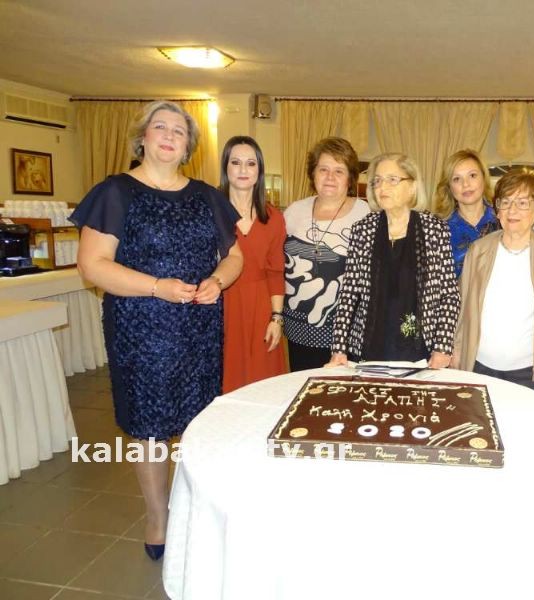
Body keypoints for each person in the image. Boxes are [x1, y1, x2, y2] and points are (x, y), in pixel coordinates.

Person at [70, 101, 243, 561]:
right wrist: (156, 287)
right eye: (159, 127)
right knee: (149, 427)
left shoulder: (206, 196)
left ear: (188, 146)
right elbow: (92, 265)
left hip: (198, 327)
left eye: (178, 131)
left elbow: (234, 256)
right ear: (142, 138)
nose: (169, 135)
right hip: (140, 328)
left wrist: (218, 280)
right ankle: (157, 517)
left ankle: (194, 506)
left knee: (197, 421)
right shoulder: (115, 191)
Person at [327, 152, 459, 367]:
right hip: (370, 344)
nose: (382, 187)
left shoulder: (435, 229)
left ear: (412, 186)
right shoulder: (362, 230)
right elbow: (349, 294)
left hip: (421, 347)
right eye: (377, 181)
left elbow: (449, 295)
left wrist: (443, 347)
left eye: (392, 180)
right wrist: (339, 348)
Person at [452, 168, 534, 392]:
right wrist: (457, 350)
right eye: (505, 202)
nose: (512, 210)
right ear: (497, 210)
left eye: (523, 203)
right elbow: (464, 305)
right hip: (478, 362)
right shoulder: (478, 251)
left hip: (527, 368)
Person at [283, 137, 370, 371]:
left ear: (350, 178)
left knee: (341, 391)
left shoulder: (366, 214)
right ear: (313, 174)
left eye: (339, 171)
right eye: (323, 169)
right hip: (297, 328)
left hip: (345, 333)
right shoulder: (294, 211)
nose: (330, 177)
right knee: (303, 387)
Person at [219, 136, 287, 393]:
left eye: (250, 163)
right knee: (225, 380)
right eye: (235, 162)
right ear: (226, 168)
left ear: (260, 171)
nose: (243, 169)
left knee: (263, 384)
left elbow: (276, 272)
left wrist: (276, 319)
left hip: (261, 307)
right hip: (221, 305)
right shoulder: (211, 212)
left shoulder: (273, 218)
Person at [433, 149, 499, 277]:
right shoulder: (438, 229)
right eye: (457, 179)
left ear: (484, 178)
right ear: (449, 187)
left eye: (472, 175)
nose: (466, 184)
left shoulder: (504, 220)